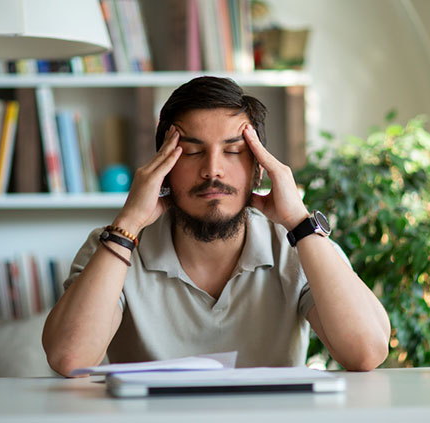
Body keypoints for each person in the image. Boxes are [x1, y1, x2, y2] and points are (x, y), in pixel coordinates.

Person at [42, 76, 390, 376]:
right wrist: (129, 222)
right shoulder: (116, 244)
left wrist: (299, 224)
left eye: (233, 151)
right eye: (192, 153)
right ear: (163, 168)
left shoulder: (296, 244)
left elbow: (366, 352)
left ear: (258, 168)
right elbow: (69, 358)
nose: (212, 170)